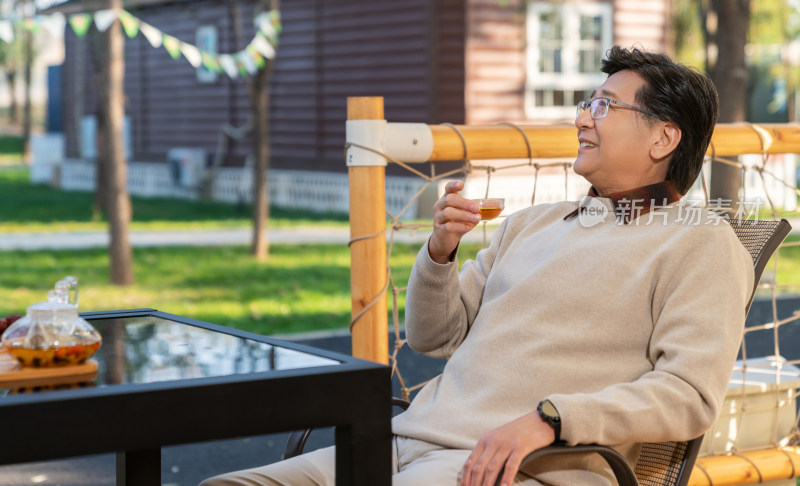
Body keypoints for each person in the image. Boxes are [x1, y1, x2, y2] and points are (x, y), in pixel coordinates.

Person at [199, 46, 753, 486]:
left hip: (517, 466)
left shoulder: (700, 243)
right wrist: (440, 253)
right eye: (587, 101)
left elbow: (688, 395)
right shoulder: (531, 223)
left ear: (663, 137)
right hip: (402, 441)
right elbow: (432, 336)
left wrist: (550, 419)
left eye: (604, 105)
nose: (582, 116)